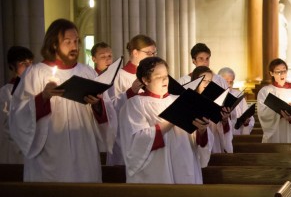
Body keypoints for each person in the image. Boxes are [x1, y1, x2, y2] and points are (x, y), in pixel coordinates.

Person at [10, 18, 114, 182]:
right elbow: (17, 115)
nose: (75, 47)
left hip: (83, 151)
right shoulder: (35, 73)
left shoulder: (87, 73)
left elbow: (106, 109)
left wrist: (97, 105)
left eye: (76, 41)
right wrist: (42, 98)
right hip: (49, 155)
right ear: (53, 44)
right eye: (68, 42)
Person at [119, 56, 212, 183]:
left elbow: (197, 139)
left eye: (166, 75)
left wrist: (201, 130)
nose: (164, 79)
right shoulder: (135, 104)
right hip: (156, 172)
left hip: (185, 165)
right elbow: (136, 142)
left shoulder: (180, 100)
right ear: (145, 80)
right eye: (158, 76)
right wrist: (172, 119)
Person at [106, 34, 157, 165]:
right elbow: (110, 108)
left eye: (154, 53)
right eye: (149, 53)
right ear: (135, 52)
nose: (153, 57)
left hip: (148, 135)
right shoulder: (118, 76)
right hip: (125, 136)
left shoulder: (154, 76)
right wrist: (131, 91)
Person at [257, 58, 291, 143]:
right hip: (277, 130)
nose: (282, 74)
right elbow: (262, 112)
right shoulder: (265, 91)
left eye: (284, 71)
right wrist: (279, 113)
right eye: (278, 71)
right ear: (271, 73)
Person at [1, 46, 34, 163]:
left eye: (31, 62)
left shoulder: (35, 89)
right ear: (12, 66)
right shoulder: (6, 92)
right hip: (16, 151)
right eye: (23, 63)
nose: (29, 66)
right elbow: (5, 125)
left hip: (33, 145)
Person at [190, 66, 233, 153]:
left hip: (216, 147)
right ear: (195, 81)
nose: (207, 84)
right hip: (195, 151)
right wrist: (201, 131)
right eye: (204, 80)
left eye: (210, 81)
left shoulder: (217, 101)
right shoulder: (189, 103)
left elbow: (223, 131)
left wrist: (224, 120)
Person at [218, 66, 255, 135]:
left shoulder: (238, 95)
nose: (229, 85)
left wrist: (246, 122)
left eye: (231, 82)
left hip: (237, 135)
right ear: (219, 81)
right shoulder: (215, 96)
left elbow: (247, 115)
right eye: (226, 81)